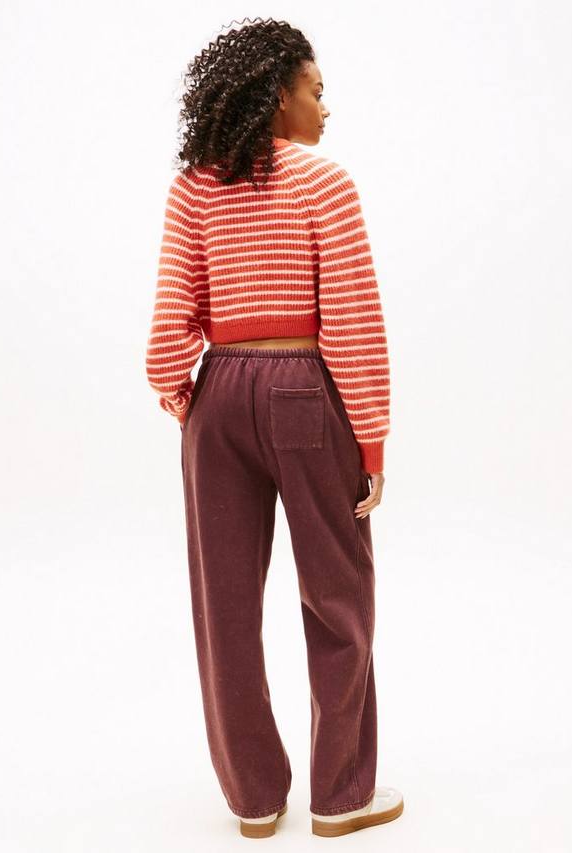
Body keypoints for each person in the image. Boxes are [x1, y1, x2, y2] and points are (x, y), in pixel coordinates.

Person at [145, 18, 403, 839]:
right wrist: (371, 439)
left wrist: (186, 398)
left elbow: (170, 323)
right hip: (303, 390)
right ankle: (340, 794)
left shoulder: (195, 187)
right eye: (315, 90)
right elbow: (353, 321)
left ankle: (254, 800)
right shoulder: (326, 183)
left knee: (223, 604)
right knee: (338, 594)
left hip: (218, 392)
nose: (326, 107)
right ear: (276, 93)